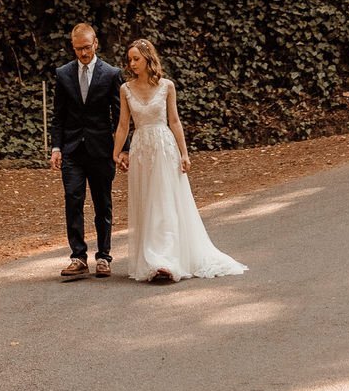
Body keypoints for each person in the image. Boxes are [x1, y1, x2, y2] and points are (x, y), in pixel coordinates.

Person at [116, 38, 247, 284]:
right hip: (141, 150)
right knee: (147, 203)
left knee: (164, 201)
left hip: (164, 148)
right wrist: (116, 153)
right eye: (130, 59)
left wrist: (184, 153)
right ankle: (151, 259)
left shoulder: (167, 86)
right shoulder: (125, 89)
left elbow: (174, 121)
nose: (132, 63)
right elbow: (124, 125)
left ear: (148, 59)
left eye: (136, 58)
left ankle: (165, 260)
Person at [49, 22, 123, 279]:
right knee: (73, 200)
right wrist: (56, 147)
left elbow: (120, 117)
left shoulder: (112, 74)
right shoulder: (63, 73)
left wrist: (121, 149)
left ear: (96, 44)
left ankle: (104, 257)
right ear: (72, 46)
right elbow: (58, 115)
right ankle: (78, 256)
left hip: (101, 150)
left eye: (87, 47)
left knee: (103, 204)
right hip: (72, 150)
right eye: (78, 48)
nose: (83, 53)